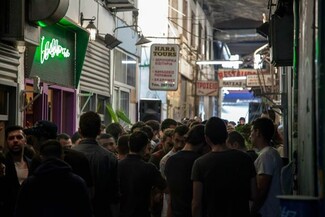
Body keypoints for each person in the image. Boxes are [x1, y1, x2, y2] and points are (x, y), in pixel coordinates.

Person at [191, 117, 257, 217]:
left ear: (206, 138)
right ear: (226, 135)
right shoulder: (245, 159)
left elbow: (196, 203)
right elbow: (254, 194)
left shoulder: (200, 164)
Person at [14, 140, 92, 217]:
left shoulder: (29, 184)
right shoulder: (78, 182)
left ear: (41, 157)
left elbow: (20, 212)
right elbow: (86, 212)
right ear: (62, 156)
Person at [73, 111, 119, 217]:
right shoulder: (109, 157)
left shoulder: (69, 155)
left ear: (79, 131)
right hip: (102, 210)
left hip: (77, 210)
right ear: (99, 132)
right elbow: (114, 192)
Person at [118, 131, 166, 217]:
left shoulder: (118, 165)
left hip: (122, 212)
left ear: (129, 145)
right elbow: (165, 187)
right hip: (142, 212)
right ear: (145, 147)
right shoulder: (149, 168)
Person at [165, 124, 206, 217]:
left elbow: (171, 198)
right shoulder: (200, 162)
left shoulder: (170, 161)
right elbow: (196, 202)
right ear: (203, 144)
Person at [250, 117, 282, 217]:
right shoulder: (271, 153)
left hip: (266, 212)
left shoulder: (266, 156)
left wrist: (253, 210)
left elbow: (261, 189)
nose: (250, 135)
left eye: (252, 131)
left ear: (257, 132)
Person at [1, 125, 32, 217]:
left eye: (19, 137)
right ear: (6, 142)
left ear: (25, 141)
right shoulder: (3, 165)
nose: (15, 141)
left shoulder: (33, 164)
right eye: (11, 138)